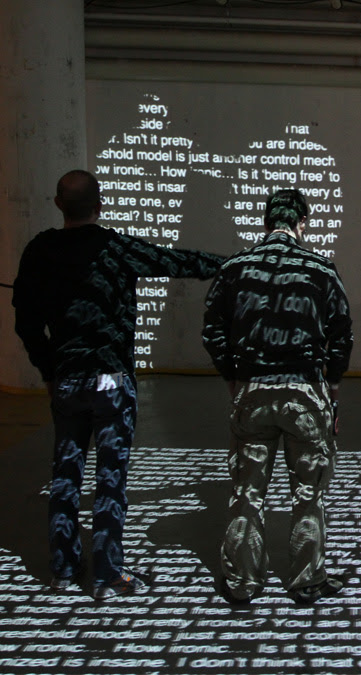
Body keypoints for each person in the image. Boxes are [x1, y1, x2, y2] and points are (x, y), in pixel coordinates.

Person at [12, 169, 223, 599]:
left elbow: (26, 321)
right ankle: (107, 574)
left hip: (68, 379)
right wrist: (233, 263)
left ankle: (63, 567)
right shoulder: (117, 248)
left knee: (65, 472)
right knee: (111, 477)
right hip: (111, 380)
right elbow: (176, 262)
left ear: (58, 204)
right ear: (100, 205)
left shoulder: (39, 250)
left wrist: (49, 370)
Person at [202, 188, 353, 605]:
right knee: (309, 493)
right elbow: (342, 335)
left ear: (266, 222)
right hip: (305, 392)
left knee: (246, 492)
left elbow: (212, 331)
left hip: (253, 390)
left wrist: (233, 379)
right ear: (301, 223)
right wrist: (332, 390)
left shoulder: (235, 267)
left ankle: (243, 582)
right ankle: (306, 579)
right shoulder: (321, 269)